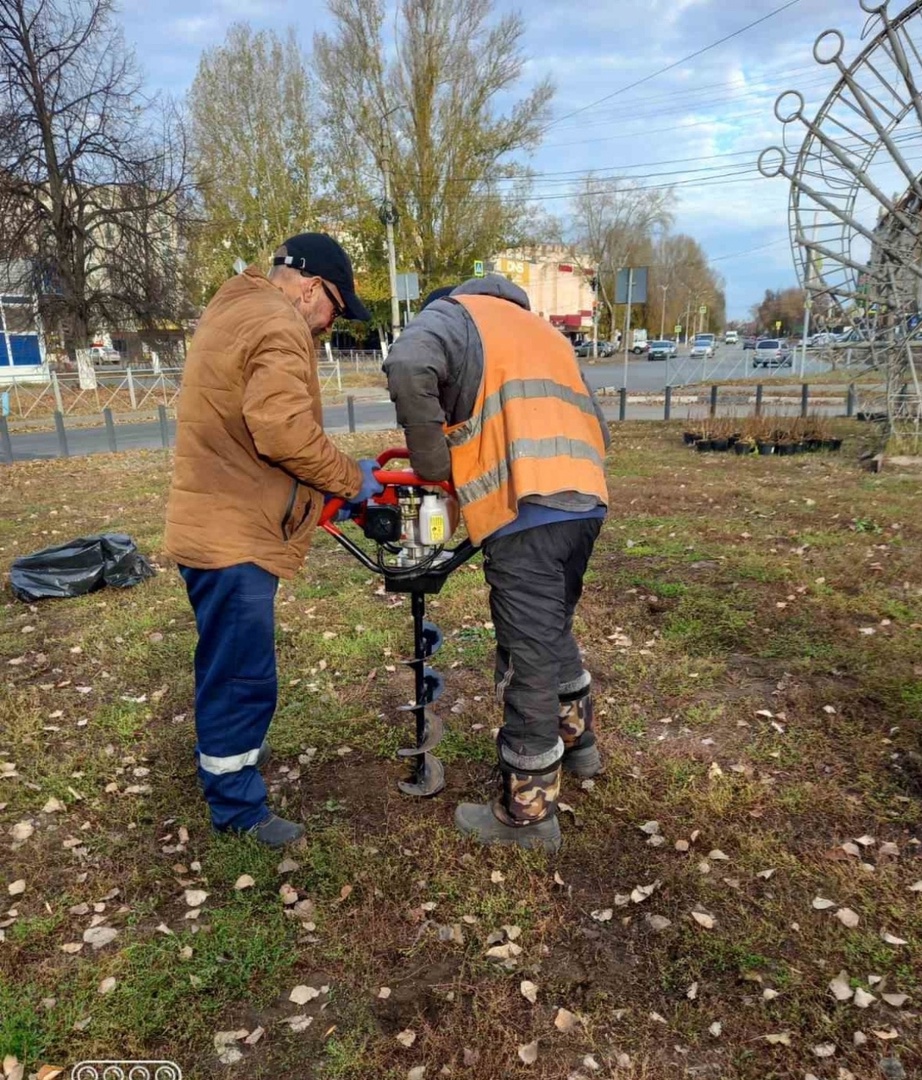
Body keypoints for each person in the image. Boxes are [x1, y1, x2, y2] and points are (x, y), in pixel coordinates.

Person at [164, 233, 383, 847]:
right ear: (313, 289)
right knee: (242, 675)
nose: (327, 327)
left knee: (224, 663)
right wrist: (351, 481)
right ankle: (236, 810)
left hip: (209, 521)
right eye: (334, 312)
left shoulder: (232, 307)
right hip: (234, 536)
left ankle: (227, 780)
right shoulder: (279, 325)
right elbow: (282, 431)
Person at [383, 274, 610, 853]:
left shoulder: (456, 316)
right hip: (584, 499)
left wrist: (434, 467)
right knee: (552, 628)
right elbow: (595, 420)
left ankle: (527, 814)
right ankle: (580, 746)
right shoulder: (543, 332)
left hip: (524, 507)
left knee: (526, 655)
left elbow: (409, 364)